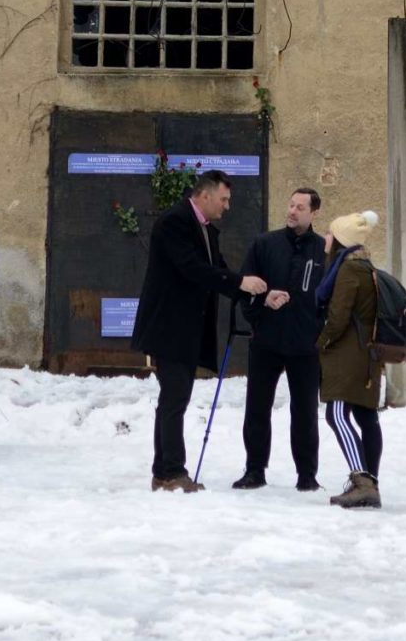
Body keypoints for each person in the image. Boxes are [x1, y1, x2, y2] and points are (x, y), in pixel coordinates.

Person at [132, 168, 268, 491]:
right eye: (223, 199)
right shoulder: (174, 222)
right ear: (204, 195)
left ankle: (164, 470)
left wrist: (253, 290)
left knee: (173, 399)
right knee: (174, 399)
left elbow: (217, 269)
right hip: (169, 328)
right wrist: (239, 282)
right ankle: (171, 472)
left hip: (185, 330)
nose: (227, 206)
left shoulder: (205, 228)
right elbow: (193, 269)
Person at [235, 185, 326, 491]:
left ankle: (307, 475)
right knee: (257, 407)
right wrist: (262, 304)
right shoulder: (264, 244)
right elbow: (244, 288)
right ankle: (254, 470)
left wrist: (320, 331)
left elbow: (331, 299)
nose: (292, 211)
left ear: (314, 213)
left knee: (305, 412)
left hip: (305, 344)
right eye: (290, 205)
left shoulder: (323, 251)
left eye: (300, 207)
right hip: (267, 341)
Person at [315, 208, 385, 509]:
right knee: (366, 416)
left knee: (336, 415)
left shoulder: (347, 270)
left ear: (341, 240)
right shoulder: (365, 266)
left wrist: (321, 343)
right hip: (366, 354)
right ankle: (370, 482)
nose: (326, 237)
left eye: (331, 233)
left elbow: (338, 316)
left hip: (349, 355)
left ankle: (362, 481)